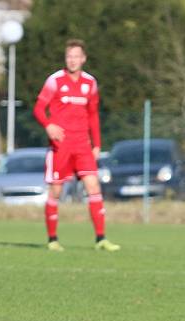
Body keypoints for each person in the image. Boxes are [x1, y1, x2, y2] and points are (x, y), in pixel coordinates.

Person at [33, 39, 119, 252]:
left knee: (93, 186)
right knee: (56, 191)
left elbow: (93, 115)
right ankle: (52, 239)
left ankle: (101, 239)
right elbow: (38, 108)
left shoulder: (90, 83)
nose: (72, 60)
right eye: (69, 56)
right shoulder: (54, 80)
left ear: (83, 58)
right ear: (66, 59)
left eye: (76, 56)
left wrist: (97, 144)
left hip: (82, 144)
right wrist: (49, 125)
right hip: (60, 145)